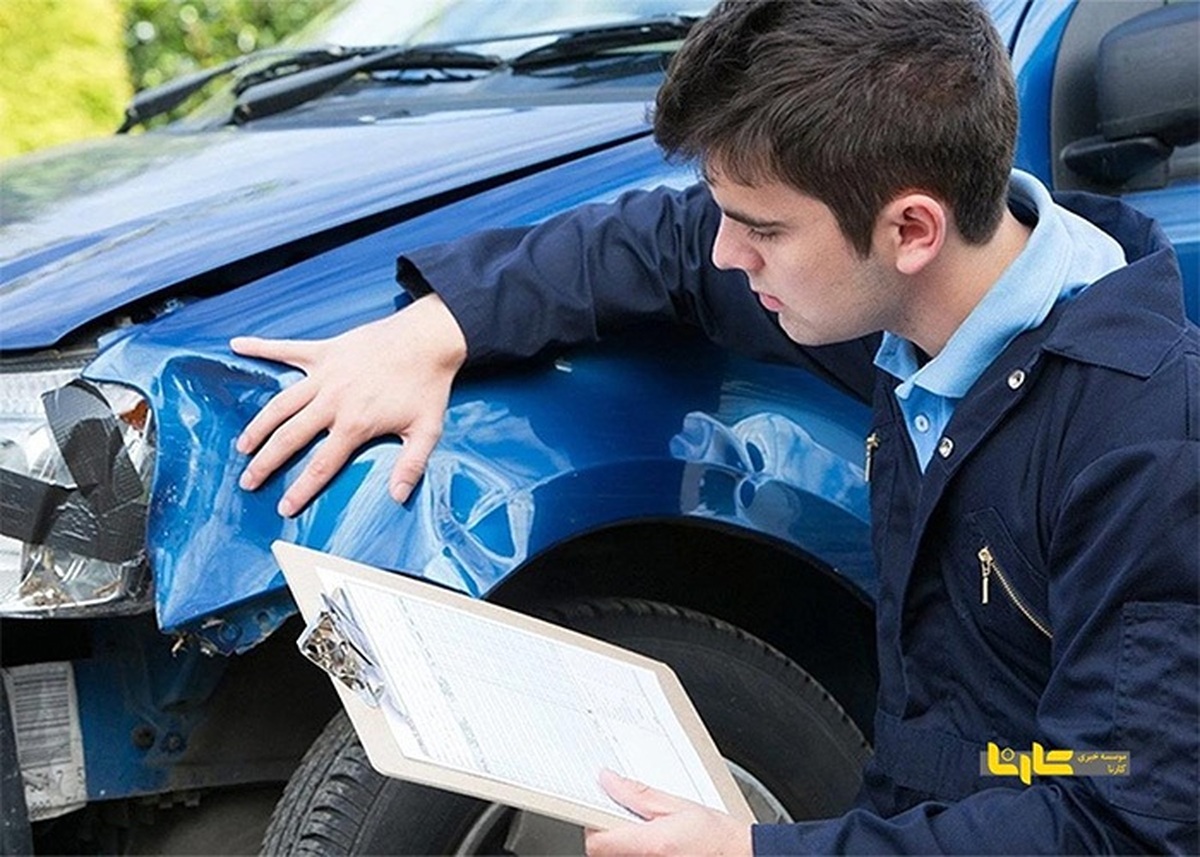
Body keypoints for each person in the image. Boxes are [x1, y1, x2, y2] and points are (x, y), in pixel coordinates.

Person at [231, 0, 1199, 852]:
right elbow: (666, 241)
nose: (731, 254)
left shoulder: (1146, 440)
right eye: (729, 214)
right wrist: (437, 328)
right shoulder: (909, 295)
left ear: (912, 229)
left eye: (764, 230)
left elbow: (1126, 818)